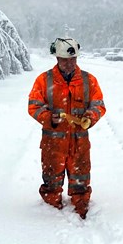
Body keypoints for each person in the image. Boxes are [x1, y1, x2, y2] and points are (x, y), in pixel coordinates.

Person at [27, 37, 106, 219]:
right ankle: (50, 213)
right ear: (57, 59)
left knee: (81, 180)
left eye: (73, 60)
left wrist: (90, 116)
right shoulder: (44, 80)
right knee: (51, 181)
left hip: (79, 141)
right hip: (52, 142)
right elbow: (33, 105)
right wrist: (48, 118)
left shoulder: (89, 80)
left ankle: (81, 207)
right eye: (65, 60)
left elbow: (99, 104)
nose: (70, 64)